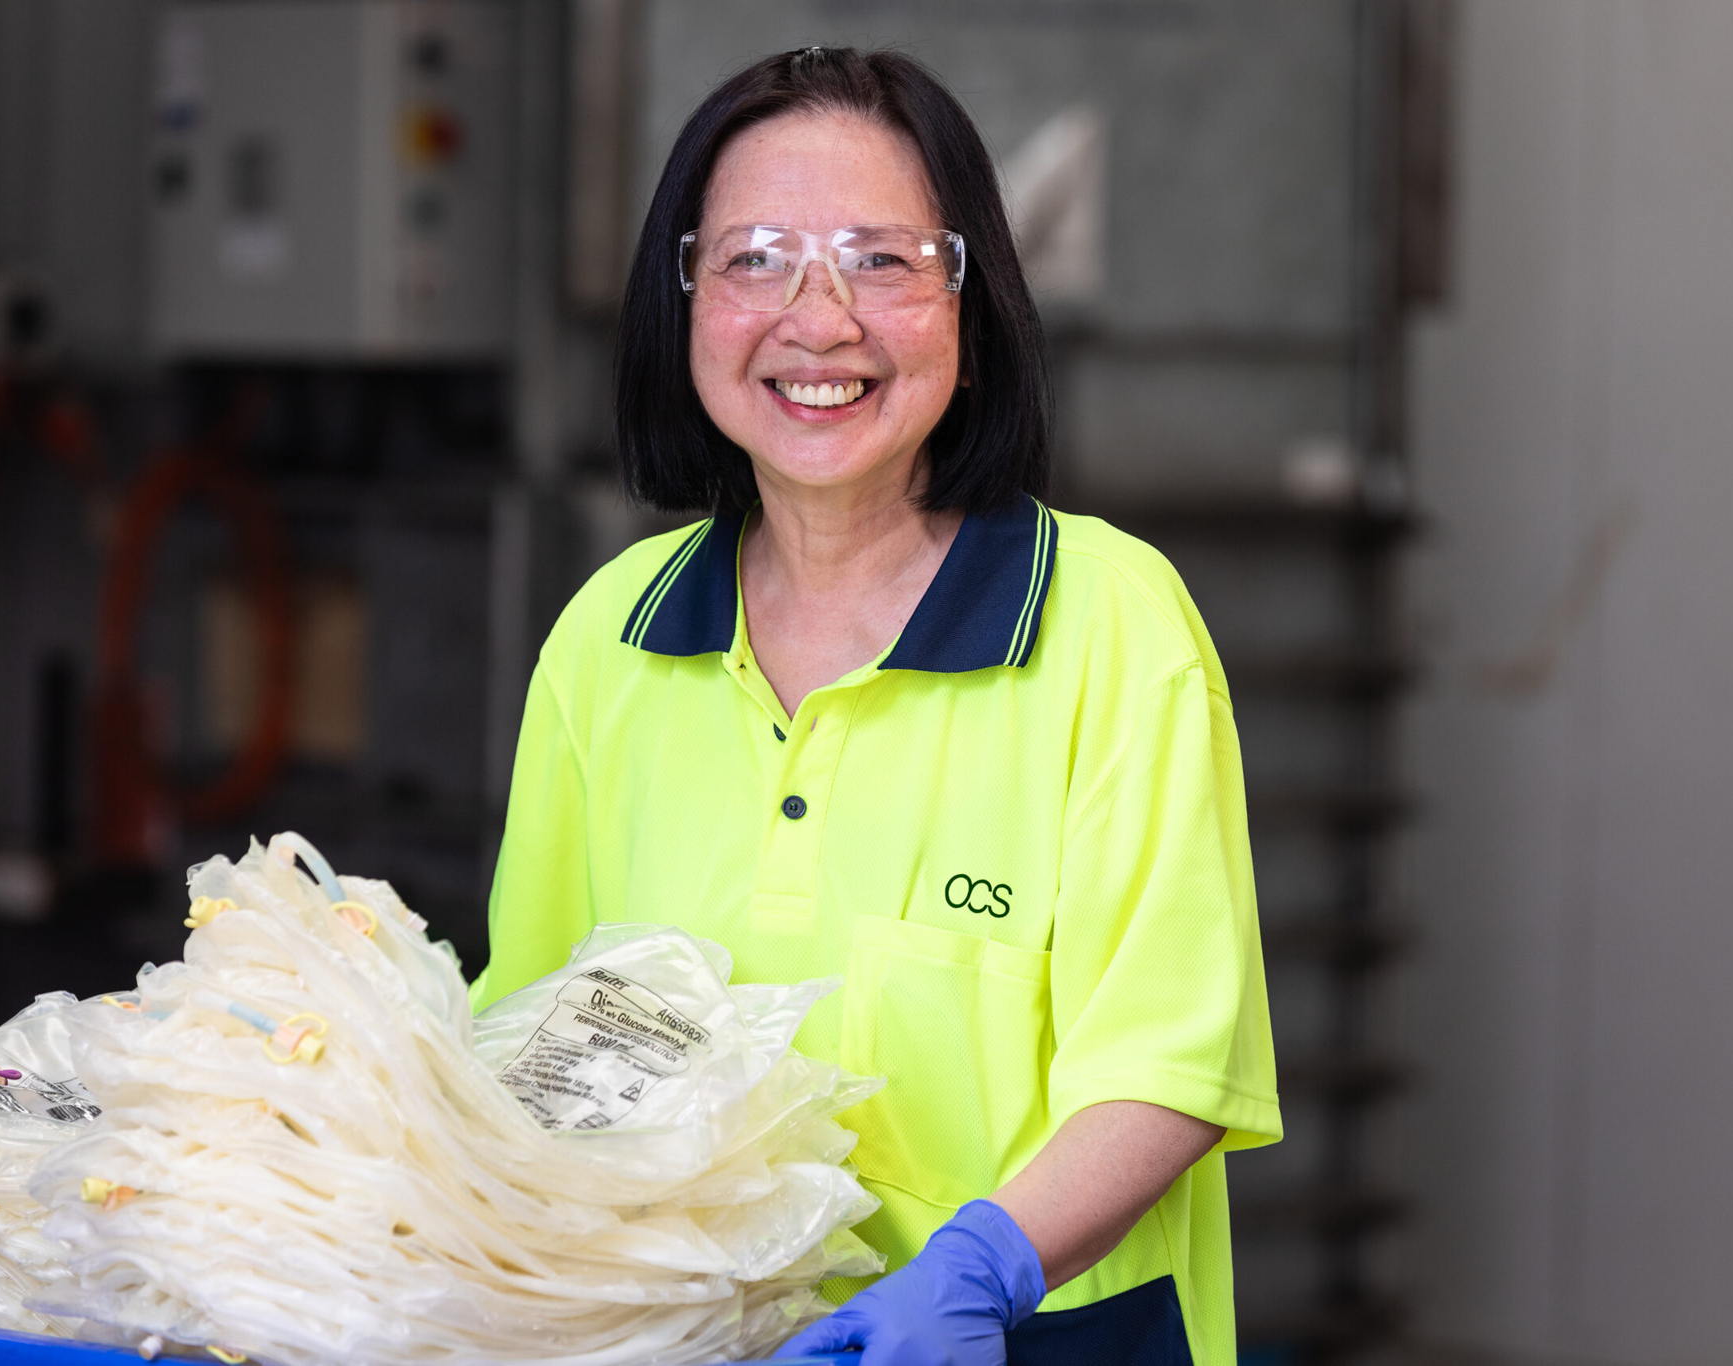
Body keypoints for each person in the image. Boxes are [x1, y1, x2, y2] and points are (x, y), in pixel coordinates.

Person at [469, 45, 1279, 1366]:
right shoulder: (609, 640)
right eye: (754, 258)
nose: (818, 316)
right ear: (682, 301)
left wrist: (979, 1269)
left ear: (974, 300)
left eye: (883, 259)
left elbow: (1170, 1066)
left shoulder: (1110, 627)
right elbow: (544, 1040)